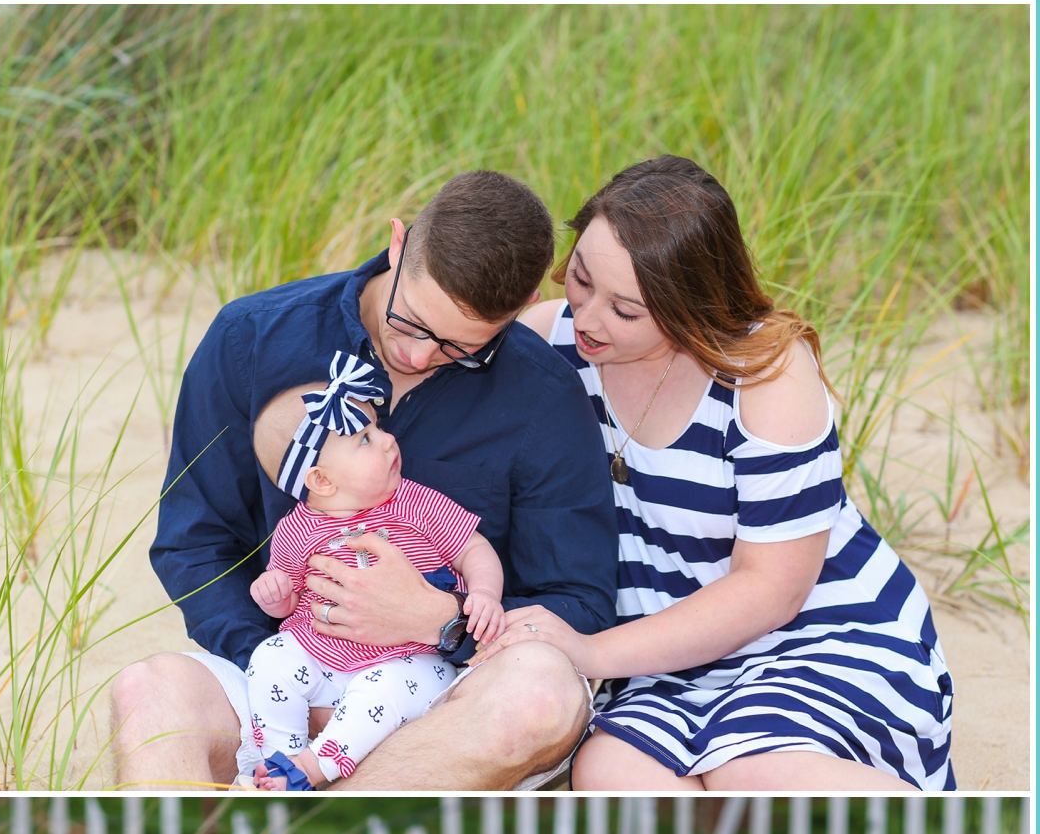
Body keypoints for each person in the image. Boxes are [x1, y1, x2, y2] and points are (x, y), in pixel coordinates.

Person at [109, 172, 617, 793]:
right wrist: (293, 666)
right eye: (410, 324)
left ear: (524, 305)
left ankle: (314, 833)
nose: (417, 357)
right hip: (285, 678)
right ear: (399, 244)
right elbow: (195, 542)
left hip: (448, 695)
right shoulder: (253, 338)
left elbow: (578, 598)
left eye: (461, 348)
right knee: (147, 693)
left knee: (542, 697)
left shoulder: (543, 394)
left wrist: (443, 622)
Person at [492, 156, 954, 794]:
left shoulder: (765, 373)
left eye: (626, 310)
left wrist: (593, 653)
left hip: (818, 636)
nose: (590, 317)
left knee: (754, 766)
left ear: (691, 305)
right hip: (663, 658)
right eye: (580, 278)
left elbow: (772, 591)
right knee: (608, 772)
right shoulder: (549, 341)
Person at [242, 376, 504, 790]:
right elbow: (290, 601)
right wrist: (275, 596)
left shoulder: (416, 502)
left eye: (377, 428)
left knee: (383, 690)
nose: (387, 440)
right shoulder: (295, 530)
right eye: (365, 439)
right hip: (324, 655)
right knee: (271, 656)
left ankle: (317, 767)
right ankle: (279, 758)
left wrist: (485, 592)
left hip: (410, 660)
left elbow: (472, 548)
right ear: (322, 480)